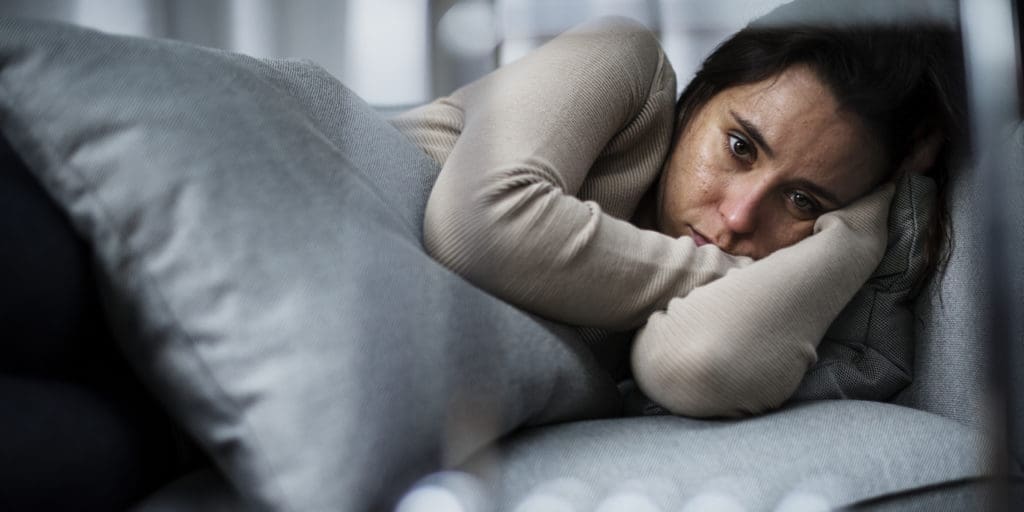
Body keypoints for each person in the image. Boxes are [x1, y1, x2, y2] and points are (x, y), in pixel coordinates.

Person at [389, 2, 964, 417]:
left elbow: (697, 362)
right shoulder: (620, 59)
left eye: (803, 200)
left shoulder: (677, 314)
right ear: (698, 99)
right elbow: (478, 227)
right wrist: (740, 276)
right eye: (740, 147)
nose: (739, 217)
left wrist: (862, 230)